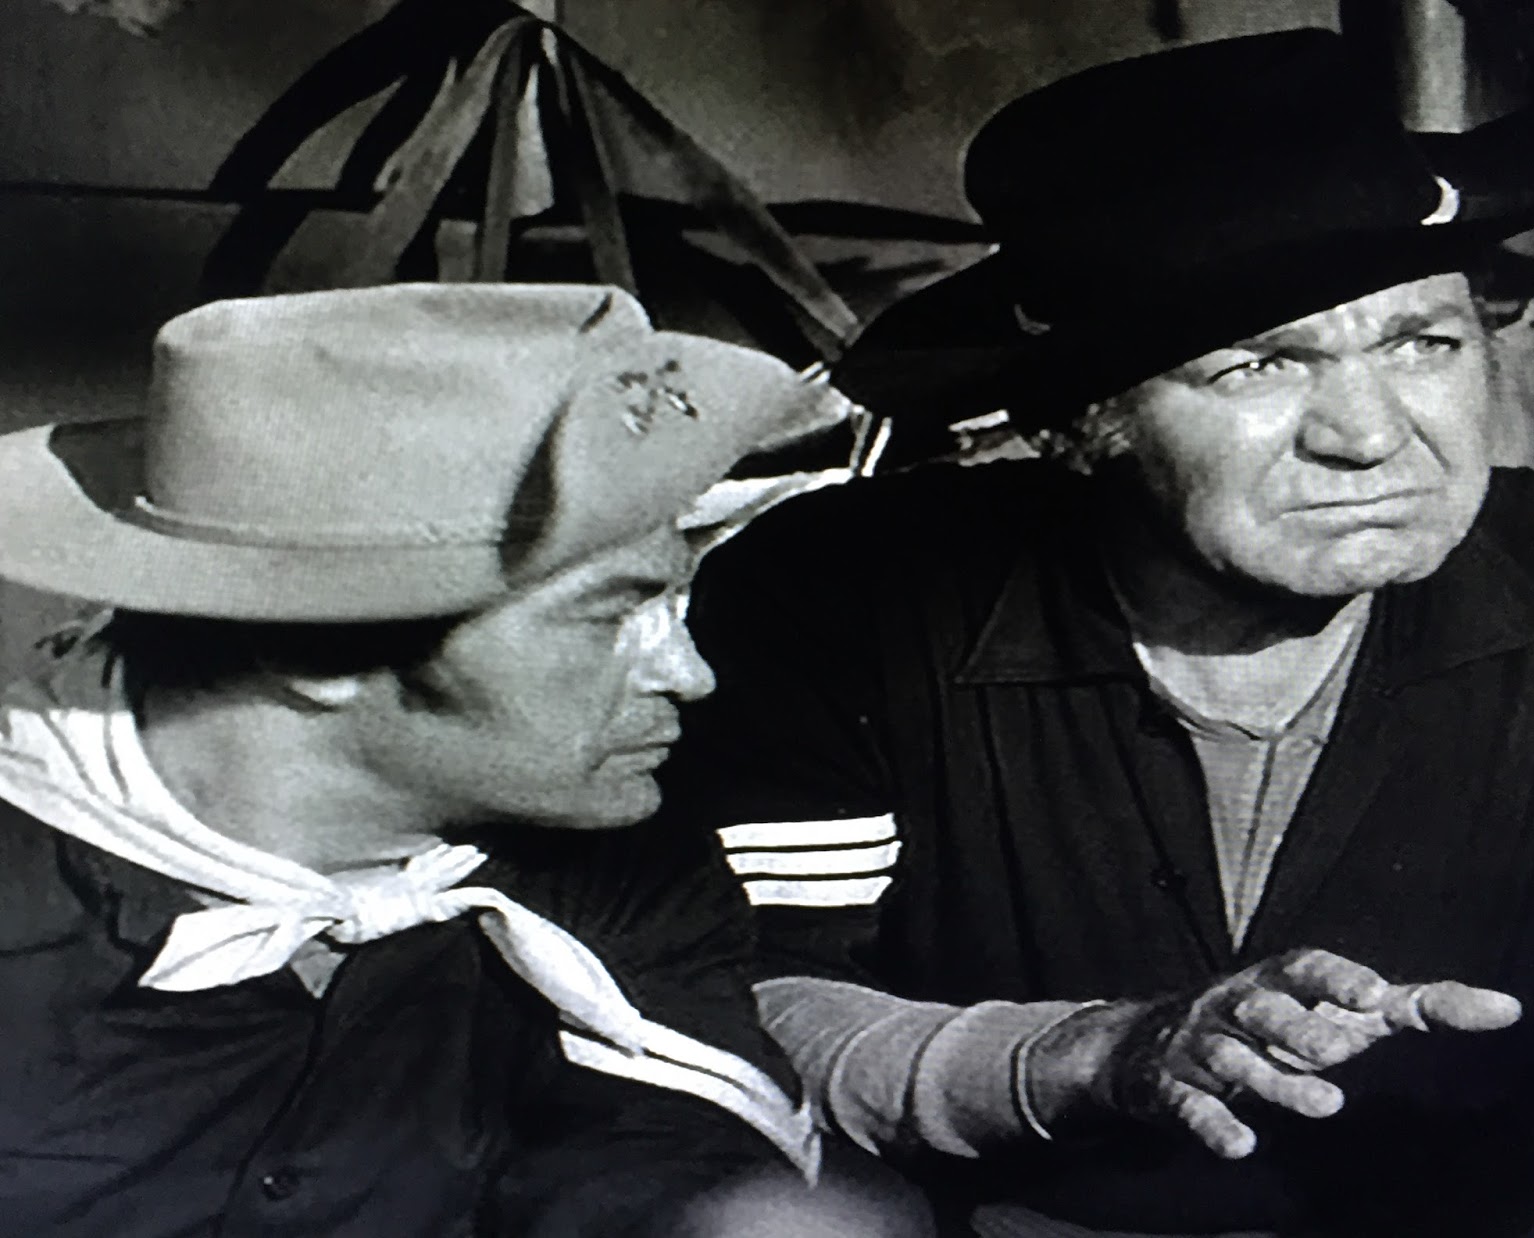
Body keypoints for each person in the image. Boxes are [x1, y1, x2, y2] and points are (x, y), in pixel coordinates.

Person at [661, 30, 1534, 1238]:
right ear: (1082, 423)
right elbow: (746, 996)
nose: (1369, 435)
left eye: (1423, 343)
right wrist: (1102, 1051)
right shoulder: (847, 593)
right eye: (1259, 365)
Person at [0, 282, 931, 1237]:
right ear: (316, 656)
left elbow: (659, 1158)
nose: (689, 675)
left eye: (673, 603)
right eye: (611, 614)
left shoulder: (623, 868)